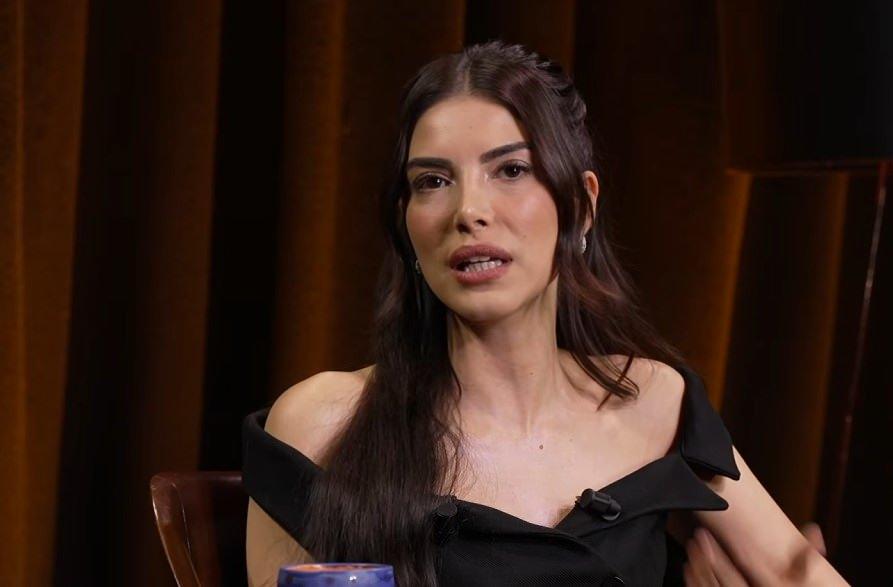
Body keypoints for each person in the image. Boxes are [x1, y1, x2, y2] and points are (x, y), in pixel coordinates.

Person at [242, 41, 848, 586]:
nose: (469, 210)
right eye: (432, 181)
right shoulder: (324, 423)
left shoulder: (657, 402)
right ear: (406, 226)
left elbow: (795, 570)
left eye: (511, 170)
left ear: (580, 206)